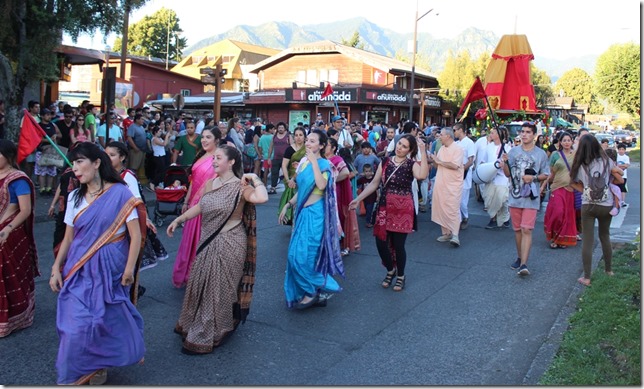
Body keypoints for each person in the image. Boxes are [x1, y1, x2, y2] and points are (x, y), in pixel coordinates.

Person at [49, 142, 145, 385]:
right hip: (79, 266)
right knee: (74, 325)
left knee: (102, 320)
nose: (75, 168)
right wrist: (55, 268)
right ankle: (79, 367)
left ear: (97, 163)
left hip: (110, 268)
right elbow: (69, 237)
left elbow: (135, 235)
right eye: (72, 163)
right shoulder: (74, 197)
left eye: (80, 162)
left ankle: (98, 364)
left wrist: (129, 269)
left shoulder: (121, 193)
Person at [166, 145, 267, 354]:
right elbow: (202, 206)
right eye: (213, 158)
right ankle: (193, 324)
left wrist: (253, 177)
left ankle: (215, 329)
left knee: (219, 289)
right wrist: (180, 219)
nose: (213, 161)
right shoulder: (211, 183)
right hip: (208, 241)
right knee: (199, 283)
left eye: (218, 158)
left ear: (231, 162)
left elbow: (262, 198)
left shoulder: (240, 186)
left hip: (230, 242)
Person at [349, 134, 428, 292]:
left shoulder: (411, 164)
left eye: (405, 146)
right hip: (385, 206)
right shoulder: (385, 161)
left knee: (399, 245)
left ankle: (401, 276)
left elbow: (422, 175)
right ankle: (390, 270)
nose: (400, 148)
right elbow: (374, 183)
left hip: (403, 209)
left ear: (410, 150)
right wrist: (358, 199)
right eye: (399, 144)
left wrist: (423, 151)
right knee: (380, 242)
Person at [279, 130, 345, 308]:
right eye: (307, 140)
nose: (307, 143)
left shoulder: (324, 164)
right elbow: (302, 190)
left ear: (321, 146)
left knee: (305, 257)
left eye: (312, 141)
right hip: (302, 214)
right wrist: (288, 204)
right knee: (294, 255)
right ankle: (311, 291)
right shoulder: (304, 163)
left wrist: (315, 162)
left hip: (316, 216)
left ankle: (313, 291)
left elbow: (321, 186)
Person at [569, 135, 623, 287]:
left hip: (588, 205)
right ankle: (609, 270)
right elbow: (619, 174)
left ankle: (587, 277)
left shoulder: (579, 164)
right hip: (606, 204)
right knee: (605, 235)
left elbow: (571, 182)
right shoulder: (607, 161)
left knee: (587, 239)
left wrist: (585, 190)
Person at [106, 141, 168, 272]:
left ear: (122, 157)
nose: (108, 158)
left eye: (112, 155)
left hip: (125, 222)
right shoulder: (106, 175)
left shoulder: (127, 176)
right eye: (106, 155)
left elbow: (137, 200)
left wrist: (145, 219)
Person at [172, 127, 220, 288]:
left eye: (208, 137)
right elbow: (193, 182)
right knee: (189, 241)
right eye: (203, 137)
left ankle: (202, 276)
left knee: (203, 241)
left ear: (217, 140)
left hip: (208, 205)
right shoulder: (201, 156)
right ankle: (188, 274)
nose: (204, 140)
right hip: (194, 204)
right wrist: (186, 202)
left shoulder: (219, 158)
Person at [0, 140, 38, 337]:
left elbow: (25, 210)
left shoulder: (18, 179)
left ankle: (15, 317)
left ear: (8, 156)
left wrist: (7, 229)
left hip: (10, 233)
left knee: (10, 276)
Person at [501, 122, 550, 276]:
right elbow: (507, 174)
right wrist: (505, 163)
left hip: (531, 197)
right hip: (515, 195)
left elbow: (546, 174)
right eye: (522, 132)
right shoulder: (513, 152)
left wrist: (533, 177)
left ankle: (524, 264)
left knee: (526, 229)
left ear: (534, 135)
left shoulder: (540, 154)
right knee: (517, 230)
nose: (524, 134)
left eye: (528, 132)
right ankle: (520, 256)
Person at [429, 128, 464, 247]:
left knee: (453, 208)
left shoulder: (458, 149)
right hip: (441, 182)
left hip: (453, 185)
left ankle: (455, 235)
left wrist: (438, 161)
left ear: (448, 136)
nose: (439, 137)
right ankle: (446, 233)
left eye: (442, 135)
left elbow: (454, 165)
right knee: (441, 206)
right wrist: (432, 159)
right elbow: (437, 166)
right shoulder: (442, 149)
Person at [543, 131, 578, 248]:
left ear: (572, 141)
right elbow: (551, 173)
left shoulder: (576, 155)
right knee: (558, 212)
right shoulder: (555, 155)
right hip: (557, 187)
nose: (567, 143)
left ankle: (561, 240)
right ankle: (554, 236)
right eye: (564, 140)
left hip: (570, 188)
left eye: (569, 140)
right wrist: (543, 186)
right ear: (560, 142)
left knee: (567, 215)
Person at [326, 138, 360, 257]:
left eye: (327, 145)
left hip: (338, 193)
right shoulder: (321, 160)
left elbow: (345, 173)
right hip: (326, 194)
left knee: (341, 217)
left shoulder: (337, 159)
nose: (324, 146)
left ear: (334, 148)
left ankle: (344, 245)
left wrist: (331, 181)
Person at [479, 126, 511, 229]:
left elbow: (510, 163)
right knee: (489, 198)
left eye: (492, 133)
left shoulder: (507, 147)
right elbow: (484, 161)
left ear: (498, 135)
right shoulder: (489, 147)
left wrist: (504, 164)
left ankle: (500, 218)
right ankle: (494, 217)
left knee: (501, 198)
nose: (490, 134)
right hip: (490, 177)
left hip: (502, 177)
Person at [277, 126, 306, 225]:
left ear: (304, 137)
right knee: (292, 201)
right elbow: (284, 166)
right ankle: (292, 221)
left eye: (301, 135)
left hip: (305, 177)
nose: (298, 137)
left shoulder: (308, 149)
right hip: (291, 178)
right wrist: (288, 180)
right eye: (296, 135)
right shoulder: (290, 149)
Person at [454, 123, 475, 230]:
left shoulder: (469, 143)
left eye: (455, 130)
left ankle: (465, 217)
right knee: (456, 198)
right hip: (455, 174)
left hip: (465, 174)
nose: (454, 132)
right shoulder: (456, 143)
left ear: (461, 130)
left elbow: (471, 160)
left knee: (462, 200)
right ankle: (458, 219)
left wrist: (463, 169)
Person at [267, 122, 292, 194]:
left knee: (287, 173)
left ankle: (288, 188)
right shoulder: (274, 136)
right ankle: (273, 188)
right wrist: (269, 157)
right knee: (274, 173)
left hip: (286, 158)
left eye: (282, 128)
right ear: (277, 129)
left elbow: (292, 146)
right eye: (279, 128)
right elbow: (271, 147)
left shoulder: (288, 136)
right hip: (276, 157)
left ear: (285, 129)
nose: (280, 129)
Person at [357, 163, 377, 228]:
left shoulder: (373, 179)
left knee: (369, 210)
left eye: (369, 171)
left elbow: (377, 187)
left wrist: (378, 196)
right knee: (366, 208)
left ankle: (369, 222)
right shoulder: (362, 179)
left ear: (371, 172)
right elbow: (356, 182)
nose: (368, 173)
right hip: (365, 197)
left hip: (372, 197)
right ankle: (369, 219)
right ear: (363, 172)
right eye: (366, 171)